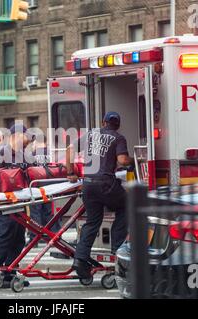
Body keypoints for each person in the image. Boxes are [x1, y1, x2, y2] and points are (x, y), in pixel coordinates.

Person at [66, 111, 133, 279]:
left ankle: (80, 260)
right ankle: (118, 249)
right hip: (106, 184)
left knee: (92, 222)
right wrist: (135, 160)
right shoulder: (118, 138)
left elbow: (70, 149)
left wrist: (70, 172)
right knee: (127, 205)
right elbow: (123, 160)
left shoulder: (91, 135)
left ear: (103, 122)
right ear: (117, 124)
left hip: (88, 184)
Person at [0, 123, 30, 288]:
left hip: (20, 200)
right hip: (8, 201)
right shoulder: (3, 151)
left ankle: (9, 273)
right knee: (5, 236)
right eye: (25, 135)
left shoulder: (23, 154)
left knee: (18, 239)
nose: (28, 139)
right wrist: (4, 176)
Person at [27, 134, 61, 247]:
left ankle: (34, 239)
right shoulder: (51, 154)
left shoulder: (31, 155)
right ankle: (54, 236)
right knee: (49, 213)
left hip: (36, 188)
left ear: (36, 142)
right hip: (50, 188)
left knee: (35, 214)